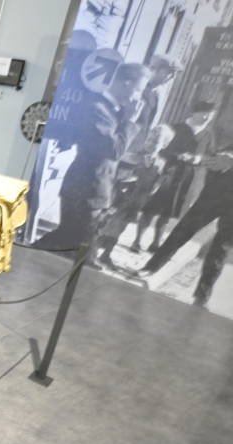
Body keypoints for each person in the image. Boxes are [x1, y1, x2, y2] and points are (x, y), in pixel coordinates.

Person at [34, 63, 151, 252]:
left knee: (68, 240)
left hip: (94, 190)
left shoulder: (114, 112)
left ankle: (34, 253)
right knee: (79, 245)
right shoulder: (98, 110)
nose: (139, 98)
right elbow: (115, 150)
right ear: (125, 83)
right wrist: (129, 122)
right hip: (85, 190)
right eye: (138, 90)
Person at [138, 109, 233, 309]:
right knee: (183, 231)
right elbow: (220, 155)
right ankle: (151, 268)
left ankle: (201, 297)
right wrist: (217, 162)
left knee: (221, 249)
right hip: (215, 195)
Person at [134, 101, 216, 252]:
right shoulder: (175, 128)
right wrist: (178, 156)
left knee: (167, 212)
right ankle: (137, 241)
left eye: (210, 115)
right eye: (204, 114)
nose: (207, 118)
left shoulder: (207, 135)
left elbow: (209, 155)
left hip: (185, 178)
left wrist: (198, 159)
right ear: (193, 113)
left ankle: (156, 243)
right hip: (166, 173)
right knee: (151, 209)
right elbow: (159, 150)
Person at [94, 124, 175, 269]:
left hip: (137, 201)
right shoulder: (134, 157)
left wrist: (156, 184)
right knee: (106, 223)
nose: (150, 144)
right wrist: (132, 176)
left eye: (155, 142)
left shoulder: (161, 163)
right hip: (120, 198)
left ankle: (106, 254)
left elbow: (159, 178)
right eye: (149, 140)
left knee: (121, 226)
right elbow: (121, 175)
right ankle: (91, 252)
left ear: (164, 145)